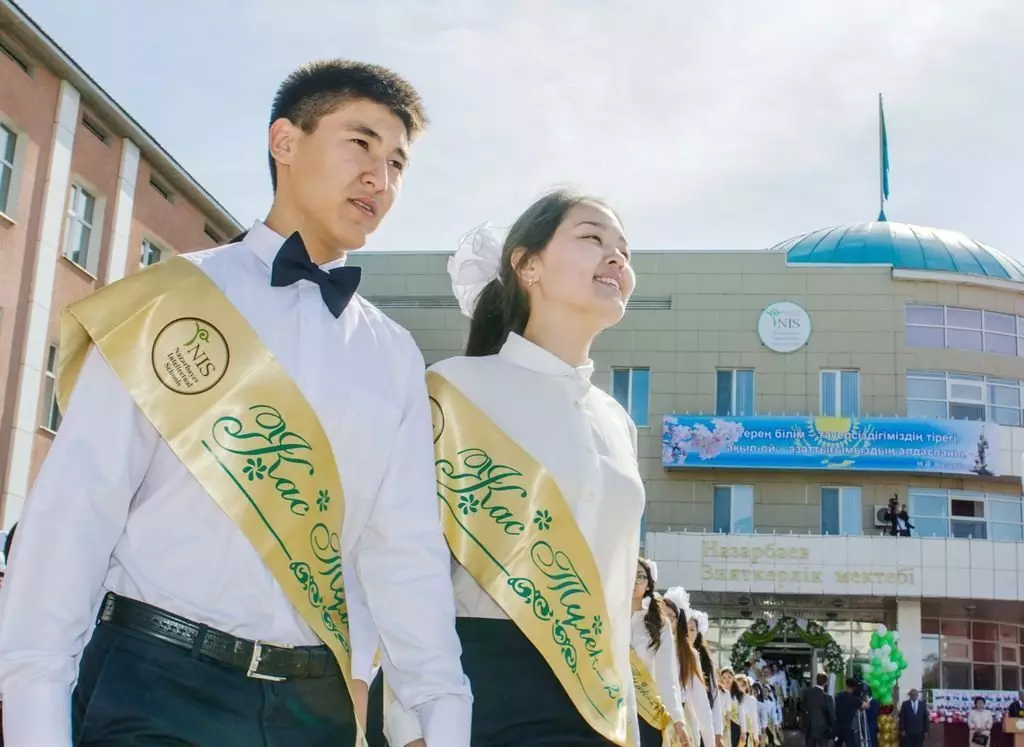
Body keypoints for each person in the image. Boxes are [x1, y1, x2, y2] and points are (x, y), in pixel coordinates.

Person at [0, 60, 472, 747]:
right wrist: (36, 725)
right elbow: (75, 517)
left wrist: (439, 716)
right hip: (157, 686)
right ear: (285, 141)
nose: (382, 177)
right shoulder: (167, 301)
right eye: (361, 143)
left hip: (316, 710)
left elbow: (403, 554)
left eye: (398, 162)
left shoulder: (393, 353)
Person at [378, 189, 644, 746]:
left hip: (593, 700)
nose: (617, 258)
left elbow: (615, 594)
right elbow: (402, 561)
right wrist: (409, 721)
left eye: (624, 248)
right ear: (528, 265)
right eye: (593, 238)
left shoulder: (618, 422)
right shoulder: (451, 390)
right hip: (478, 686)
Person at [631, 560, 688, 747]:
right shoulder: (606, 616)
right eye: (629, 573)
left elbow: (667, 675)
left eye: (640, 576)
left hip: (645, 712)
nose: (634, 581)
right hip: (611, 710)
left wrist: (678, 718)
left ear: (648, 584)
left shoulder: (659, 624)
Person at [802, 673, 834, 747]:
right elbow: (831, 715)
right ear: (826, 682)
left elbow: (802, 707)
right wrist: (832, 728)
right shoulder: (827, 698)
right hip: (823, 729)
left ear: (816, 680)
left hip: (809, 727)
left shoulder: (807, 693)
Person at [834, 679, 862, 747]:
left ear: (845, 685)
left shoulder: (838, 696)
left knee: (837, 744)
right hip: (849, 727)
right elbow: (866, 706)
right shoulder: (855, 699)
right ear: (854, 687)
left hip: (837, 726)